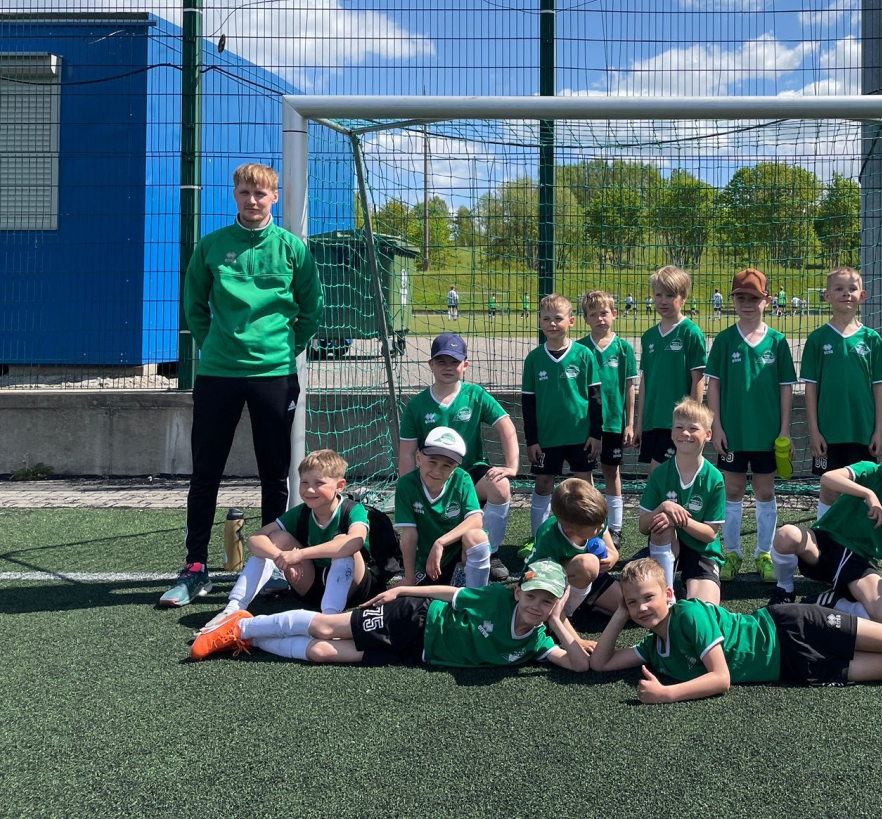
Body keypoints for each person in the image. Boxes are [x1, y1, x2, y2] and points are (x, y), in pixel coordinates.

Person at [160, 162, 324, 608]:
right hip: (218, 373)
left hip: (274, 374)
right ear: (234, 195)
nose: (252, 200)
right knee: (205, 472)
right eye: (245, 193)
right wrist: (216, 343)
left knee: (275, 473)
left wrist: (283, 347)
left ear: (274, 197)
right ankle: (195, 569)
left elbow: (311, 308)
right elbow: (194, 305)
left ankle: (272, 567)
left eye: (261, 193)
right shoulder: (212, 246)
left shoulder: (292, 248)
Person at [587, 557, 882, 703]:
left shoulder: (688, 615)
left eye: (648, 598)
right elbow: (601, 663)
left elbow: (720, 678)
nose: (641, 608)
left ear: (668, 594)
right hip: (794, 669)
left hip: (790, 626)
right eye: (632, 602)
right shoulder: (654, 647)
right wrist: (620, 616)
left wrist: (667, 694)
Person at [191, 557, 591, 673]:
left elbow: (578, 665)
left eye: (547, 602)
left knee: (322, 653)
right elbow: (451, 594)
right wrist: (402, 590)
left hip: (417, 653)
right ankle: (240, 624)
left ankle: (250, 638)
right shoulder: (496, 599)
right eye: (533, 596)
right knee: (328, 627)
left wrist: (557, 622)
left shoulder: (538, 641)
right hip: (415, 617)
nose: (537, 606)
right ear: (518, 591)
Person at [195, 448, 369, 634]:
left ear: (340, 486)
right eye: (304, 482)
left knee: (343, 542)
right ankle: (232, 610)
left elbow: (354, 542)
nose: (310, 489)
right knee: (276, 538)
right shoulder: (300, 513)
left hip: (353, 588)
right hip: (310, 586)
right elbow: (255, 539)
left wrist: (299, 555)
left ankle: (330, 619)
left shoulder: (352, 510)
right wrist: (280, 556)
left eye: (319, 483)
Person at [769, 433, 882, 625]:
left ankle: (832, 602)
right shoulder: (870, 471)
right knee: (787, 534)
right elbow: (828, 478)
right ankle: (785, 590)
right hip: (823, 547)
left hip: (858, 565)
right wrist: (868, 494)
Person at [396, 333, 517, 580]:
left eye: (454, 362)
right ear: (431, 364)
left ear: (465, 364)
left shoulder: (475, 395)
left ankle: (490, 551)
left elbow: (506, 425)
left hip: (468, 474)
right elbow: (407, 452)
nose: (448, 367)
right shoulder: (417, 405)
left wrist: (512, 466)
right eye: (441, 361)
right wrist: (407, 489)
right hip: (433, 474)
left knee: (501, 486)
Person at [706, 267, 796, 583]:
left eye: (754, 298)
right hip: (732, 433)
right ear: (732, 300)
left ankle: (765, 554)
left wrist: (784, 429)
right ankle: (731, 553)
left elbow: (786, 388)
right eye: (741, 297)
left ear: (767, 301)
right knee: (732, 490)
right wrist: (716, 426)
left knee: (764, 490)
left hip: (767, 434)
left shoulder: (778, 342)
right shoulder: (724, 340)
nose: (747, 303)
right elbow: (713, 385)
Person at [800, 267, 882, 487]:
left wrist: (879, 431)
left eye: (852, 289)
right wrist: (814, 432)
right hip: (828, 433)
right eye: (839, 289)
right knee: (829, 488)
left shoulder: (872, 339)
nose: (846, 293)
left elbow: (879, 388)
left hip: (863, 432)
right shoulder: (817, 339)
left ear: (863, 295)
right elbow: (810, 389)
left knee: (862, 487)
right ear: (827, 296)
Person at [522, 294, 602, 536]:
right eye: (546, 318)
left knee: (584, 485)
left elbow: (596, 398)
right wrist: (532, 440)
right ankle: (538, 538)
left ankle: (588, 535)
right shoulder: (534, 359)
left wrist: (596, 434)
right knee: (543, 483)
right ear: (539, 322)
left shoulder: (584, 355)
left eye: (558, 318)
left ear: (571, 321)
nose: (552, 323)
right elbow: (528, 404)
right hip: (547, 437)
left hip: (580, 436)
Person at [637, 397, 726, 605]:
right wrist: (663, 507)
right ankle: (666, 596)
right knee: (661, 523)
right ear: (672, 433)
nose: (685, 433)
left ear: (708, 435)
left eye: (693, 428)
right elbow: (643, 526)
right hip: (670, 543)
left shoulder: (714, 478)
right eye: (679, 427)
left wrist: (679, 519)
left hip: (702, 551)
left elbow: (709, 534)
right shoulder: (660, 474)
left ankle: (690, 582)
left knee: (702, 611)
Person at [392, 427, 491, 591]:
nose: (437, 470)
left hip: (458, 555)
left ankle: (475, 594)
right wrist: (409, 577)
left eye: (447, 465)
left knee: (477, 537)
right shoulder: (406, 485)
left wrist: (440, 543)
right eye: (432, 462)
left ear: (454, 469)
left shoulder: (462, 479)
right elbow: (409, 534)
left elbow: (476, 520)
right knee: (406, 600)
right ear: (418, 458)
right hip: (428, 562)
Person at [576, 291, 638, 546]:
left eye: (604, 313)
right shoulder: (580, 348)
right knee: (585, 474)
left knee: (612, 472)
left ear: (614, 314)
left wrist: (630, 423)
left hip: (613, 422)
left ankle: (616, 527)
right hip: (587, 425)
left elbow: (630, 388)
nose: (600, 318)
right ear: (585, 319)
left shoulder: (623, 349)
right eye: (593, 314)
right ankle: (590, 525)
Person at [633, 265, 706, 469]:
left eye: (670, 295)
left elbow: (698, 379)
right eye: (658, 295)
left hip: (677, 422)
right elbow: (645, 381)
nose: (663, 301)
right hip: (652, 422)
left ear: (683, 297)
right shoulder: (649, 337)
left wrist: (693, 420)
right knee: (660, 476)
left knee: (659, 475)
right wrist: (640, 423)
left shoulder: (691, 332)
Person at [527, 477, 622, 619]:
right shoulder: (549, 537)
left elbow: (608, 541)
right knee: (587, 564)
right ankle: (565, 614)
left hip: (590, 579)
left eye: (603, 521)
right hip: (551, 583)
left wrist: (613, 556)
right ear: (570, 530)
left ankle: (584, 602)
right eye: (596, 527)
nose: (602, 526)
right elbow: (541, 579)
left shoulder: (595, 518)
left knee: (628, 607)